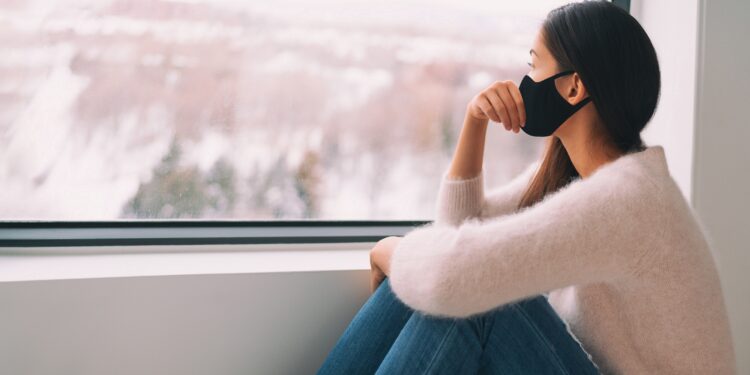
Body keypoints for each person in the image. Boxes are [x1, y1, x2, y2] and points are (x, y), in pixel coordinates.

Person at [317, 1, 736, 374]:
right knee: (432, 280)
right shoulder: (579, 175)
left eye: (534, 65)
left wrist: (388, 249)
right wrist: (474, 123)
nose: (523, 81)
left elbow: (453, 278)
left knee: (473, 296)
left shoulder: (628, 199)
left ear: (573, 87)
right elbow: (456, 237)